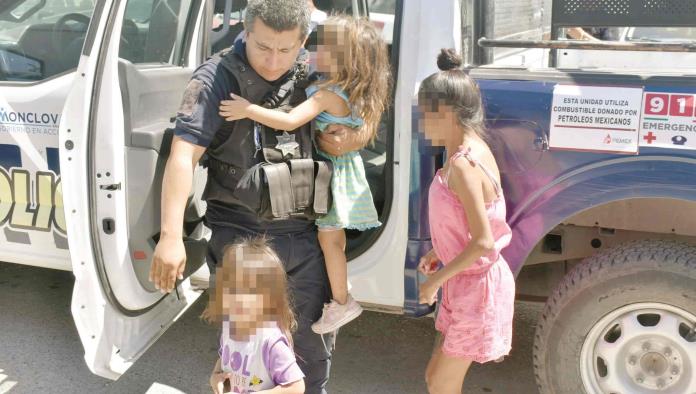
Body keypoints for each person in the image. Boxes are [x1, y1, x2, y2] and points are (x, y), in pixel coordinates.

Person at [148, 1, 372, 392]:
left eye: (285, 50)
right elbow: (184, 154)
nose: (273, 61)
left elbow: (363, 115)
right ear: (245, 31)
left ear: (303, 41)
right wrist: (170, 236)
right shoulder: (216, 77)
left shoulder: (315, 69)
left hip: (303, 235)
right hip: (240, 238)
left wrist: (353, 137)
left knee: (307, 356)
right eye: (263, 47)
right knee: (244, 354)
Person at [218, 15, 390, 334]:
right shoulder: (354, 92)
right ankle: (340, 297)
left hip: (334, 178)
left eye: (323, 47)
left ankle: (341, 301)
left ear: (342, 57)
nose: (315, 50)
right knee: (333, 240)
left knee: (330, 242)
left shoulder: (328, 94)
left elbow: (290, 121)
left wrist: (247, 110)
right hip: (346, 175)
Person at [416, 48, 515, 394]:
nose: (421, 123)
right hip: (465, 285)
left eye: (423, 114)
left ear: (443, 113)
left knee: (442, 385)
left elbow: (484, 242)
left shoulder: (463, 163)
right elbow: (468, 226)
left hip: (476, 291)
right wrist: (439, 251)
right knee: (435, 380)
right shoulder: (472, 150)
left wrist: (433, 283)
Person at [204, 237, 305, 394]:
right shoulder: (230, 326)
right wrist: (215, 376)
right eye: (232, 289)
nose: (239, 299)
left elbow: (296, 387)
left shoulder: (270, 342)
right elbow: (223, 358)